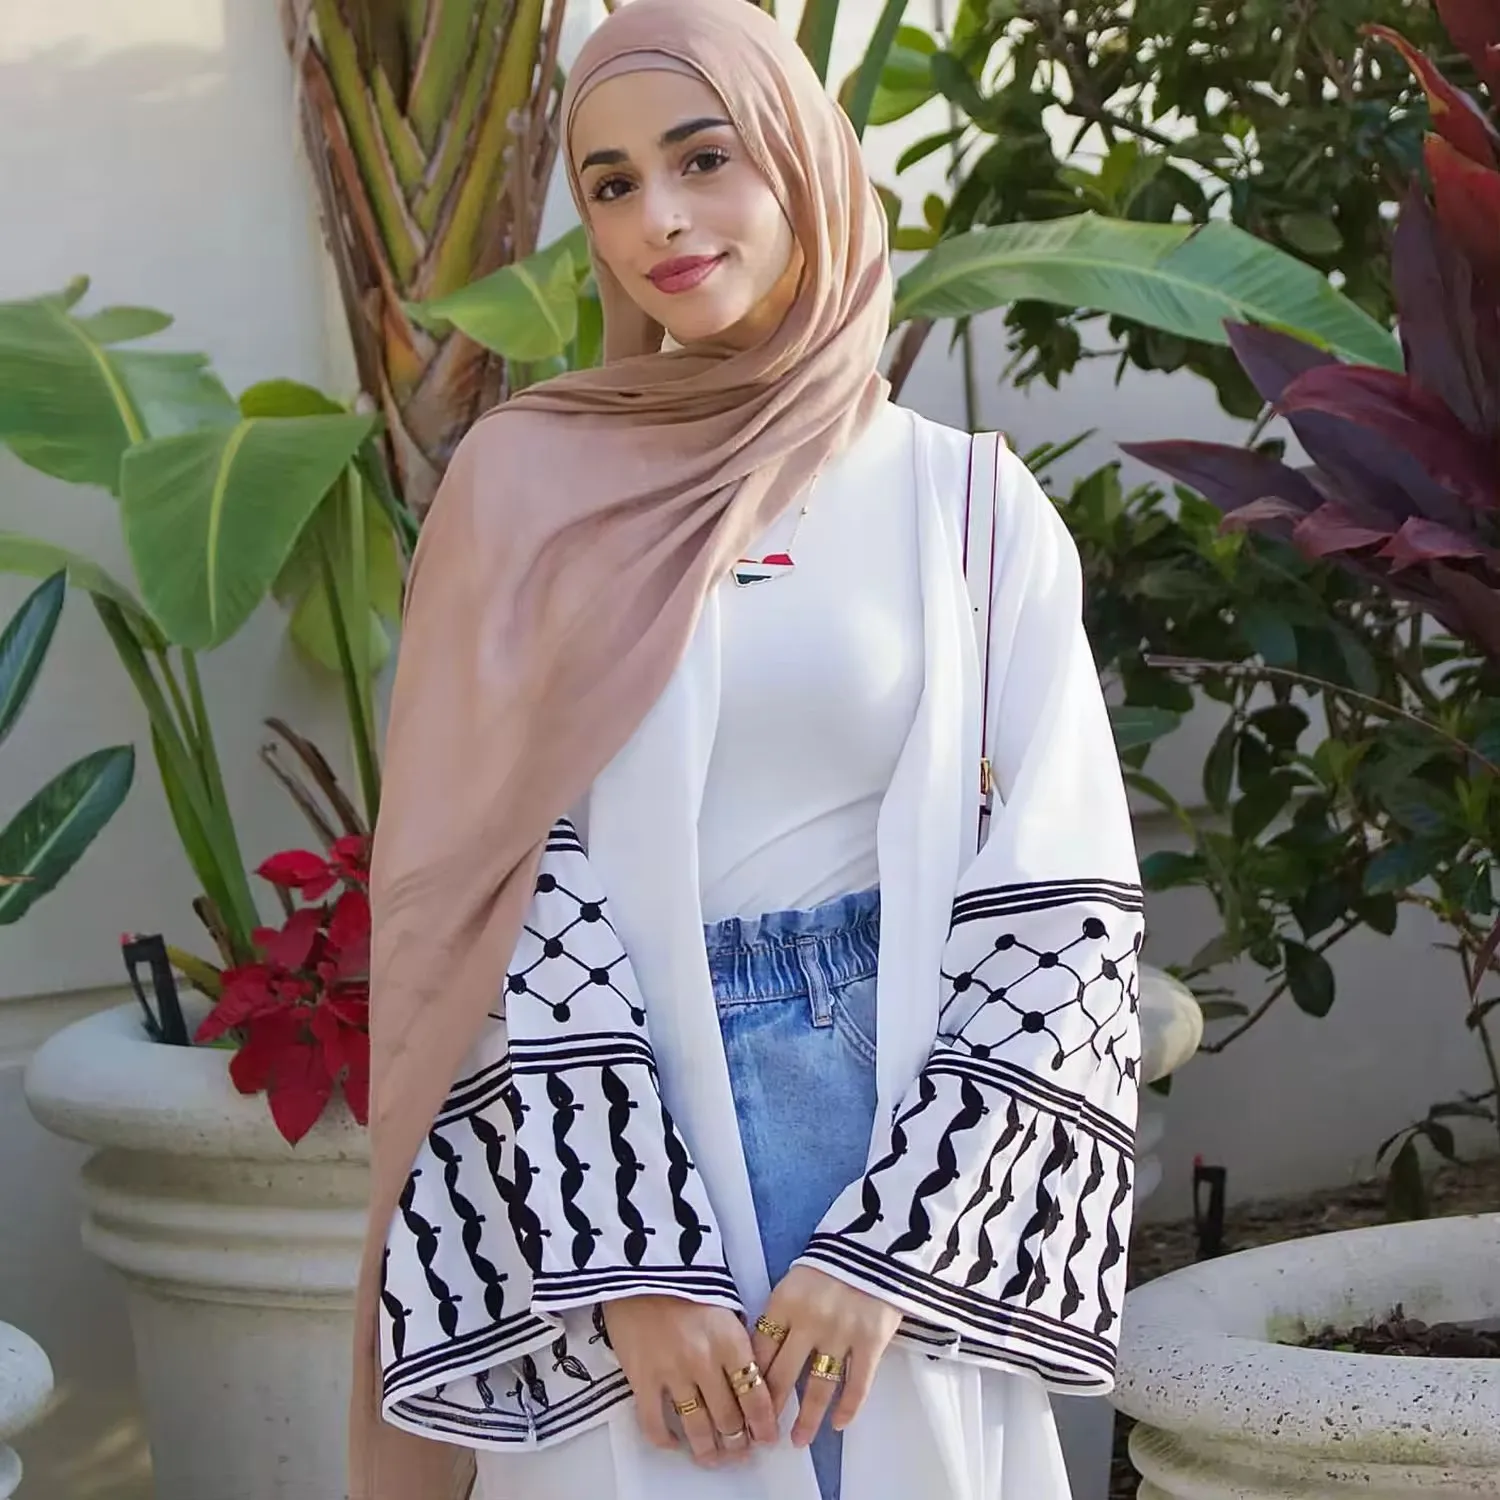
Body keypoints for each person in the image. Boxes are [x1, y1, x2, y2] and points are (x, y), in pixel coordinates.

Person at [349, 2, 1144, 1498]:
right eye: (611, 183)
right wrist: (626, 1260)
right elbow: (485, 885)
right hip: (621, 1098)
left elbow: (1063, 905)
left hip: (897, 1098)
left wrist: (901, 1239)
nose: (660, 216)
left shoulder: (969, 507)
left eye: (703, 157)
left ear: (801, 163)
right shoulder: (525, 491)